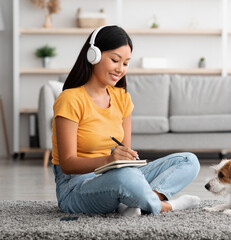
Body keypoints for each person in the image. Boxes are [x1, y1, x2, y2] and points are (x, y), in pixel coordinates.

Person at [52, 25, 200, 216]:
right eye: (115, 60)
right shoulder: (70, 99)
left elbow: (125, 155)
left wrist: (125, 159)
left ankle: (133, 201)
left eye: (126, 63)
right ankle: (165, 205)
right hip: (76, 186)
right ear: (93, 56)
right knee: (125, 177)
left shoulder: (122, 97)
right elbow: (67, 164)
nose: (120, 69)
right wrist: (109, 160)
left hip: (118, 175)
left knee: (189, 161)